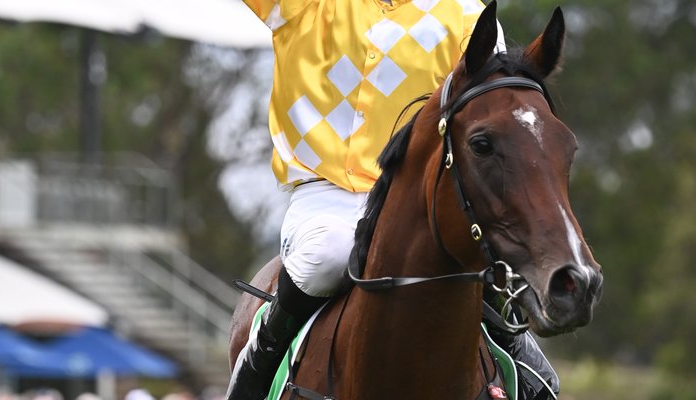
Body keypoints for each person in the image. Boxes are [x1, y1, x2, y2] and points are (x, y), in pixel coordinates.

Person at [227, 0, 557, 399]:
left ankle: (519, 352)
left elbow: (500, 111)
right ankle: (256, 363)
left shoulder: (466, 14)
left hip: (418, 199)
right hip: (329, 194)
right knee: (328, 255)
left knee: (479, 257)